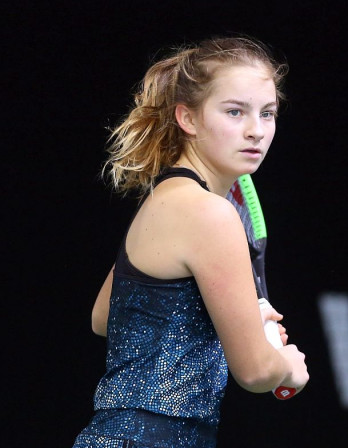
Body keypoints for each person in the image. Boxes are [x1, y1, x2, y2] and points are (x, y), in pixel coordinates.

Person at [73, 36, 309, 448]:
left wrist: (213, 318)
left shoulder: (165, 199)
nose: (256, 131)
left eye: (267, 113)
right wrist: (287, 367)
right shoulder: (210, 213)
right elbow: (255, 372)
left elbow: (102, 317)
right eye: (235, 112)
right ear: (188, 117)